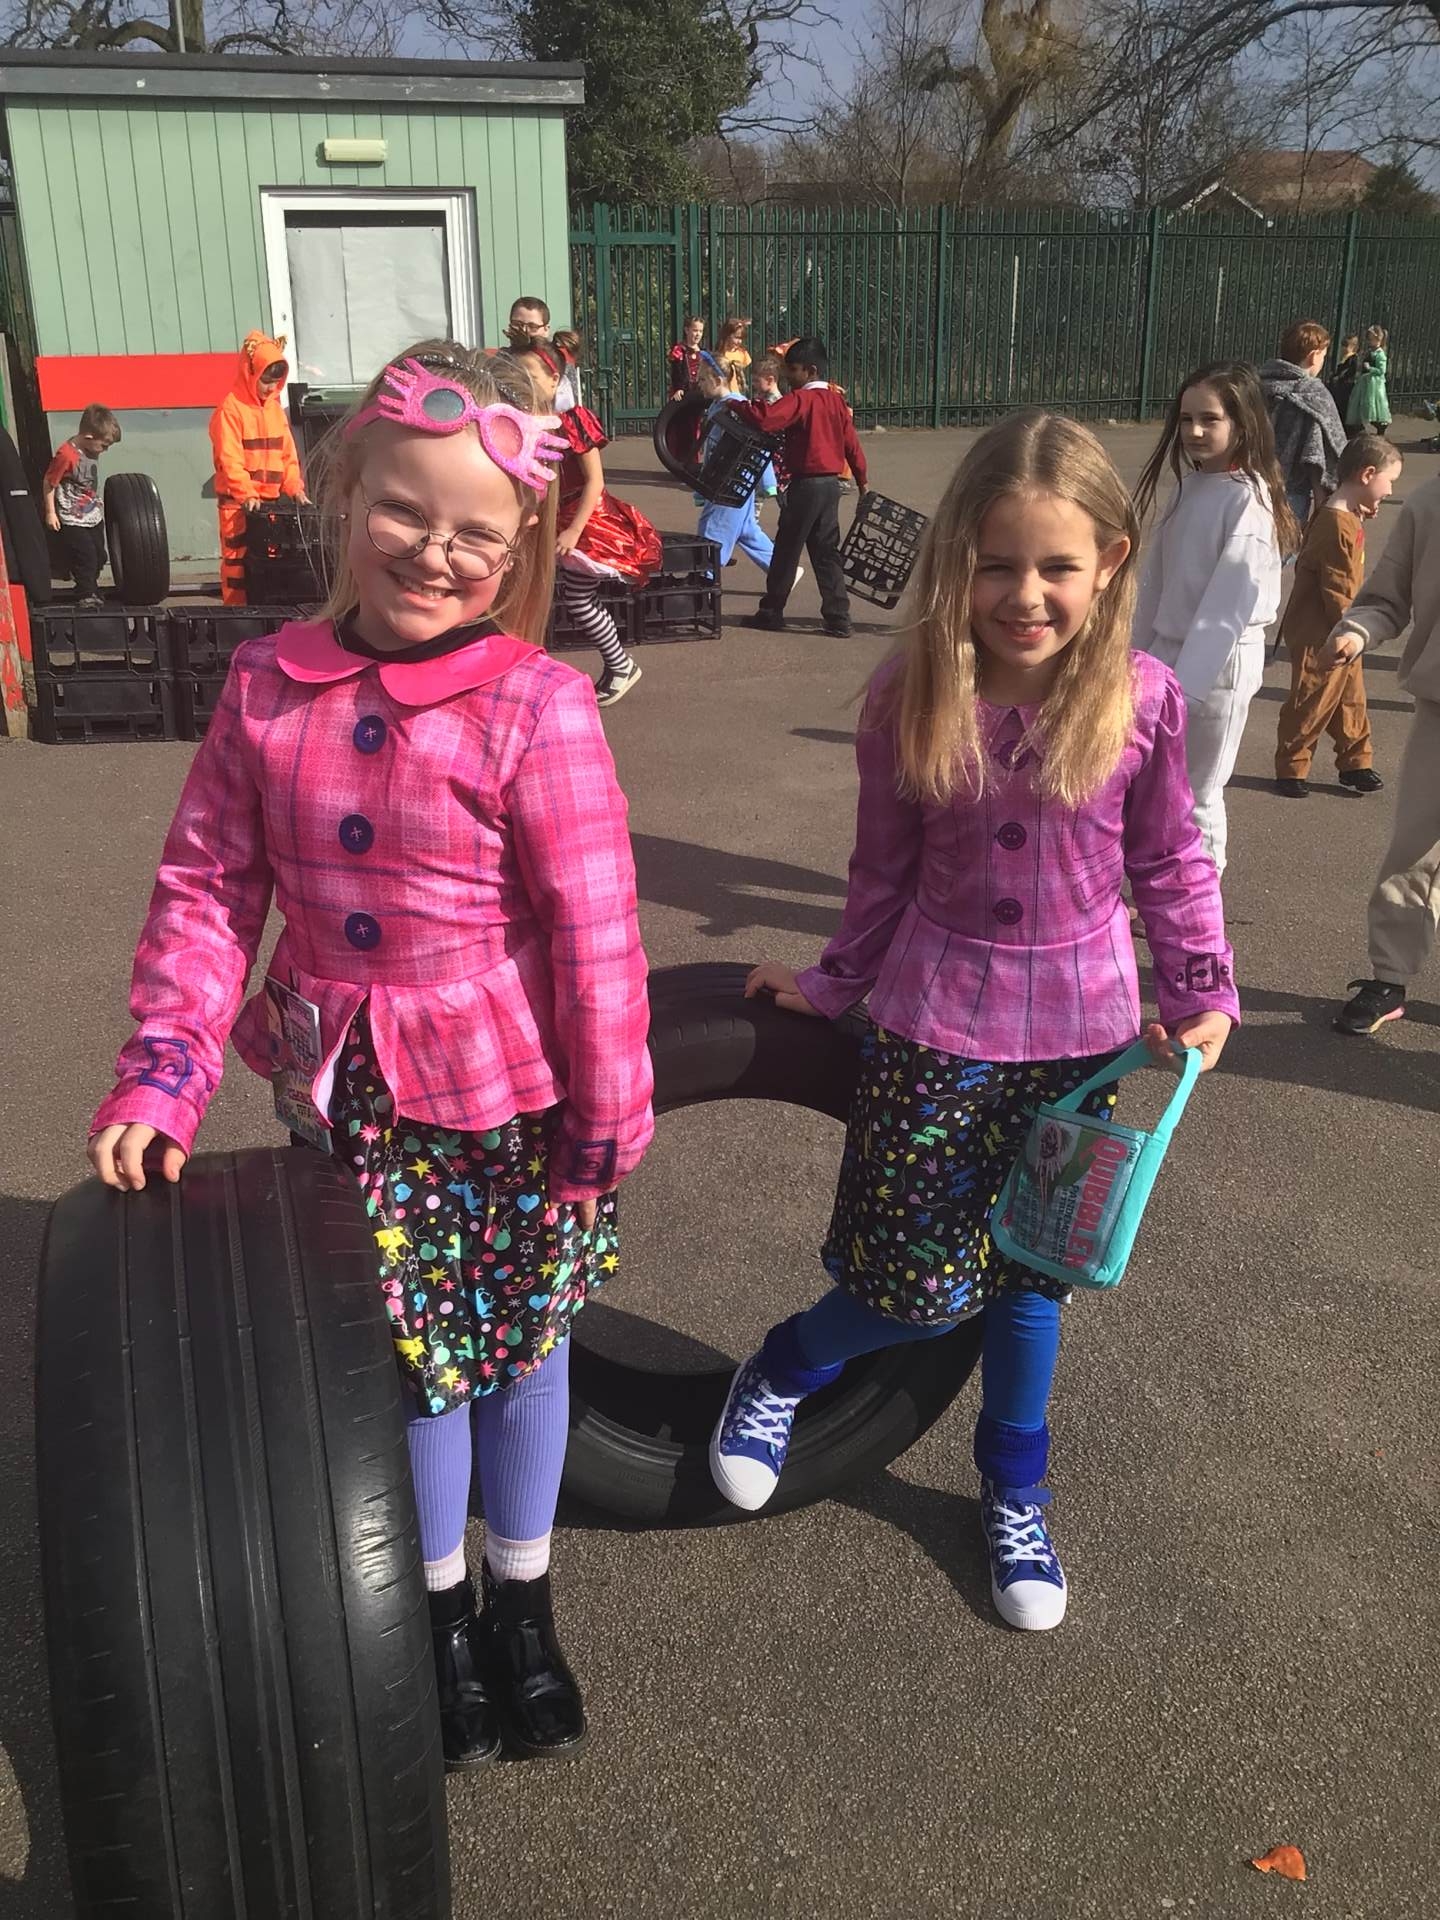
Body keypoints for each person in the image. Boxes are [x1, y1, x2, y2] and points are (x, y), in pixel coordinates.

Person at [86, 337, 654, 1769]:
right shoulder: (266, 686)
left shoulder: (539, 702)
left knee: (523, 1354)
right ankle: (442, 1614)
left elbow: (595, 925)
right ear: (344, 495)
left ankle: (525, 1605)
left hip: (514, 1101)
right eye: (403, 510)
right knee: (414, 1366)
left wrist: (608, 1109)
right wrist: (167, 1067)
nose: (433, 553)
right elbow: (209, 890)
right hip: (351, 1101)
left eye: (476, 534)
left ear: (520, 546)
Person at [714, 411, 1237, 1633]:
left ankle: (1015, 1490)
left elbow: (1171, 860)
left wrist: (1201, 987)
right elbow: (879, 872)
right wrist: (832, 983)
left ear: (1110, 561)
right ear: (959, 559)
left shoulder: (1143, 700)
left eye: (1056, 566)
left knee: (1031, 1285)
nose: (1025, 595)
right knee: (917, 1281)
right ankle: (783, 1367)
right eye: (997, 565)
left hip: (1081, 1044)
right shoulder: (912, 691)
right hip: (936, 1025)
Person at [1132, 361, 1298, 874]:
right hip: (1169, 654)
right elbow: (1155, 585)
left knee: (1198, 792)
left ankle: (1200, 900)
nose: (1195, 431)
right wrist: (1136, 661)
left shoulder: (1248, 500)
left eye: (1210, 419)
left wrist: (1186, 691)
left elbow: (1229, 603)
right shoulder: (1188, 488)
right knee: (1155, 785)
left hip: (1218, 667)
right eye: (1186, 419)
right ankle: (1162, 887)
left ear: (1242, 424)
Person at [1327, 470, 1440, 1036]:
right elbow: (1385, 597)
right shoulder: (1429, 502)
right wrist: (1358, 631)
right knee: (1415, 850)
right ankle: (1390, 978)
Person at [513, 332, 660, 705]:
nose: (524, 382)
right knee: (536, 594)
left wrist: (574, 531)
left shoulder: (571, 420)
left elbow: (595, 481)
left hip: (586, 520)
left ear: (554, 379)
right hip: (549, 519)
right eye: (519, 375)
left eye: (531, 375)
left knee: (578, 599)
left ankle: (621, 664)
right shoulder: (523, 421)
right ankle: (530, 669)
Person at [1273, 433, 1402, 798]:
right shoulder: (1335, 524)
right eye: (1389, 481)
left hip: (1342, 630)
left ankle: (1355, 762)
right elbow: (1338, 587)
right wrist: (1352, 628)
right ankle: (1292, 765)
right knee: (1310, 699)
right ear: (1367, 474)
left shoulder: (1343, 514)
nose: (1390, 490)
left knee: (1351, 698)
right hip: (1321, 632)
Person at [733, 336, 866, 639]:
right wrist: (862, 481)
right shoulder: (835, 401)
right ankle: (838, 617)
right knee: (826, 551)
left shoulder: (802, 400)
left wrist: (736, 404)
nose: (788, 376)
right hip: (830, 485)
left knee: (786, 550)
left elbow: (767, 419)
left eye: (793, 370)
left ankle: (771, 612)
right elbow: (851, 444)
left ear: (810, 370)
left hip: (805, 484)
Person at [209, 331, 307, 605]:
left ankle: (265, 612)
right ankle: (237, 616)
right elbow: (230, 459)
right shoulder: (231, 409)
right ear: (250, 373)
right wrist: (246, 494)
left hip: (269, 503)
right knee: (237, 561)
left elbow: (287, 455)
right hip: (238, 504)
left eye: (275, 382)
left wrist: (295, 488)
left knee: (269, 561)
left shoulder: (274, 410)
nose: (270, 387)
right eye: (266, 381)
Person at [691, 356, 800, 585]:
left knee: (713, 531)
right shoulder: (719, 405)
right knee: (747, 532)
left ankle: (704, 582)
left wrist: (768, 482)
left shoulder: (736, 406)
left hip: (731, 484)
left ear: (717, 379)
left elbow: (757, 445)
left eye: (702, 379)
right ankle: (784, 571)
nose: (699, 384)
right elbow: (712, 450)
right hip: (729, 483)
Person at [1258, 320, 1347, 532]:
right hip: (1291, 491)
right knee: (1284, 545)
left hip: (1251, 483)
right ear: (1314, 356)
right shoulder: (1313, 392)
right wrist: (1322, 503)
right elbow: (1317, 453)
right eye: (1324, 356)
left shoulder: (1258, 384)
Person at [43, 402, 120, 607]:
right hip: (72, 516)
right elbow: (49, 482)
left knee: (99, 555)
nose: (104, 450)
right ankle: (86, 594)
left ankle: (89, 586)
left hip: (91, 513)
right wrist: (51, 512)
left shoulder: (90, 450)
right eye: (104, 445)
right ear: (88, 437)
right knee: (86, 555)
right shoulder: (66, 455)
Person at [505, 295, 578, 412]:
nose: (524, 331)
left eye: (532, 326)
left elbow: (567, 408)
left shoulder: (558, 362)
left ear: (546, 330)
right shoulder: (500, 359)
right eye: (517, 324)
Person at [752, 354, 788, 503]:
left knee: (777, 495)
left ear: (770, 380)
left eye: (756, 380)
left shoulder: (774, 404)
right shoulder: (763, 399)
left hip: (773, 456)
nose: (753, 384)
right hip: (768, 455)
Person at [1348, 326, 1392, 436]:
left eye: (1371, 339)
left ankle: (1380, 424)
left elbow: (1382, 370)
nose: (1369, 342)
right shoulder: (1370, 351)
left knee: (1374, 404)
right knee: (1364, 403)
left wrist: (1370, 368)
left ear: (1378, 339)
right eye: (1369, 339)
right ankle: (1360, 425)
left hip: (1374, 384)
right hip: (1366, 381)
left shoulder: (1380, 354)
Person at [1328, 334, 1361, 435]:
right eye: (1343, 345)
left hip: (1347, 385)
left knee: (1345, 406)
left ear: (1354, 347)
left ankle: (1348, 427)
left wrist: (1341, 377)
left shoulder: (1353, 358)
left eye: (1346, 345)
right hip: (1341, 385)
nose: (1344, 348)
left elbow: (1351, 371)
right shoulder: (1344, 358)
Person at [669, 316, 706, 399]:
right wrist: (678, 388)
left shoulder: (704, 353)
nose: (698, 334)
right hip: (683, 392)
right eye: (695, 330)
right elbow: (676, 372)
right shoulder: (679, 350)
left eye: (700, 331)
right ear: (687, 330)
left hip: (700, 393)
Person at [715, 316, 753, 394]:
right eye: (736, 337)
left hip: (738, 393)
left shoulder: (742, 354)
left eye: (741, 338)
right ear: (727, 335)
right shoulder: (720, 354)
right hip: (723, 392)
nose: (739, 341)